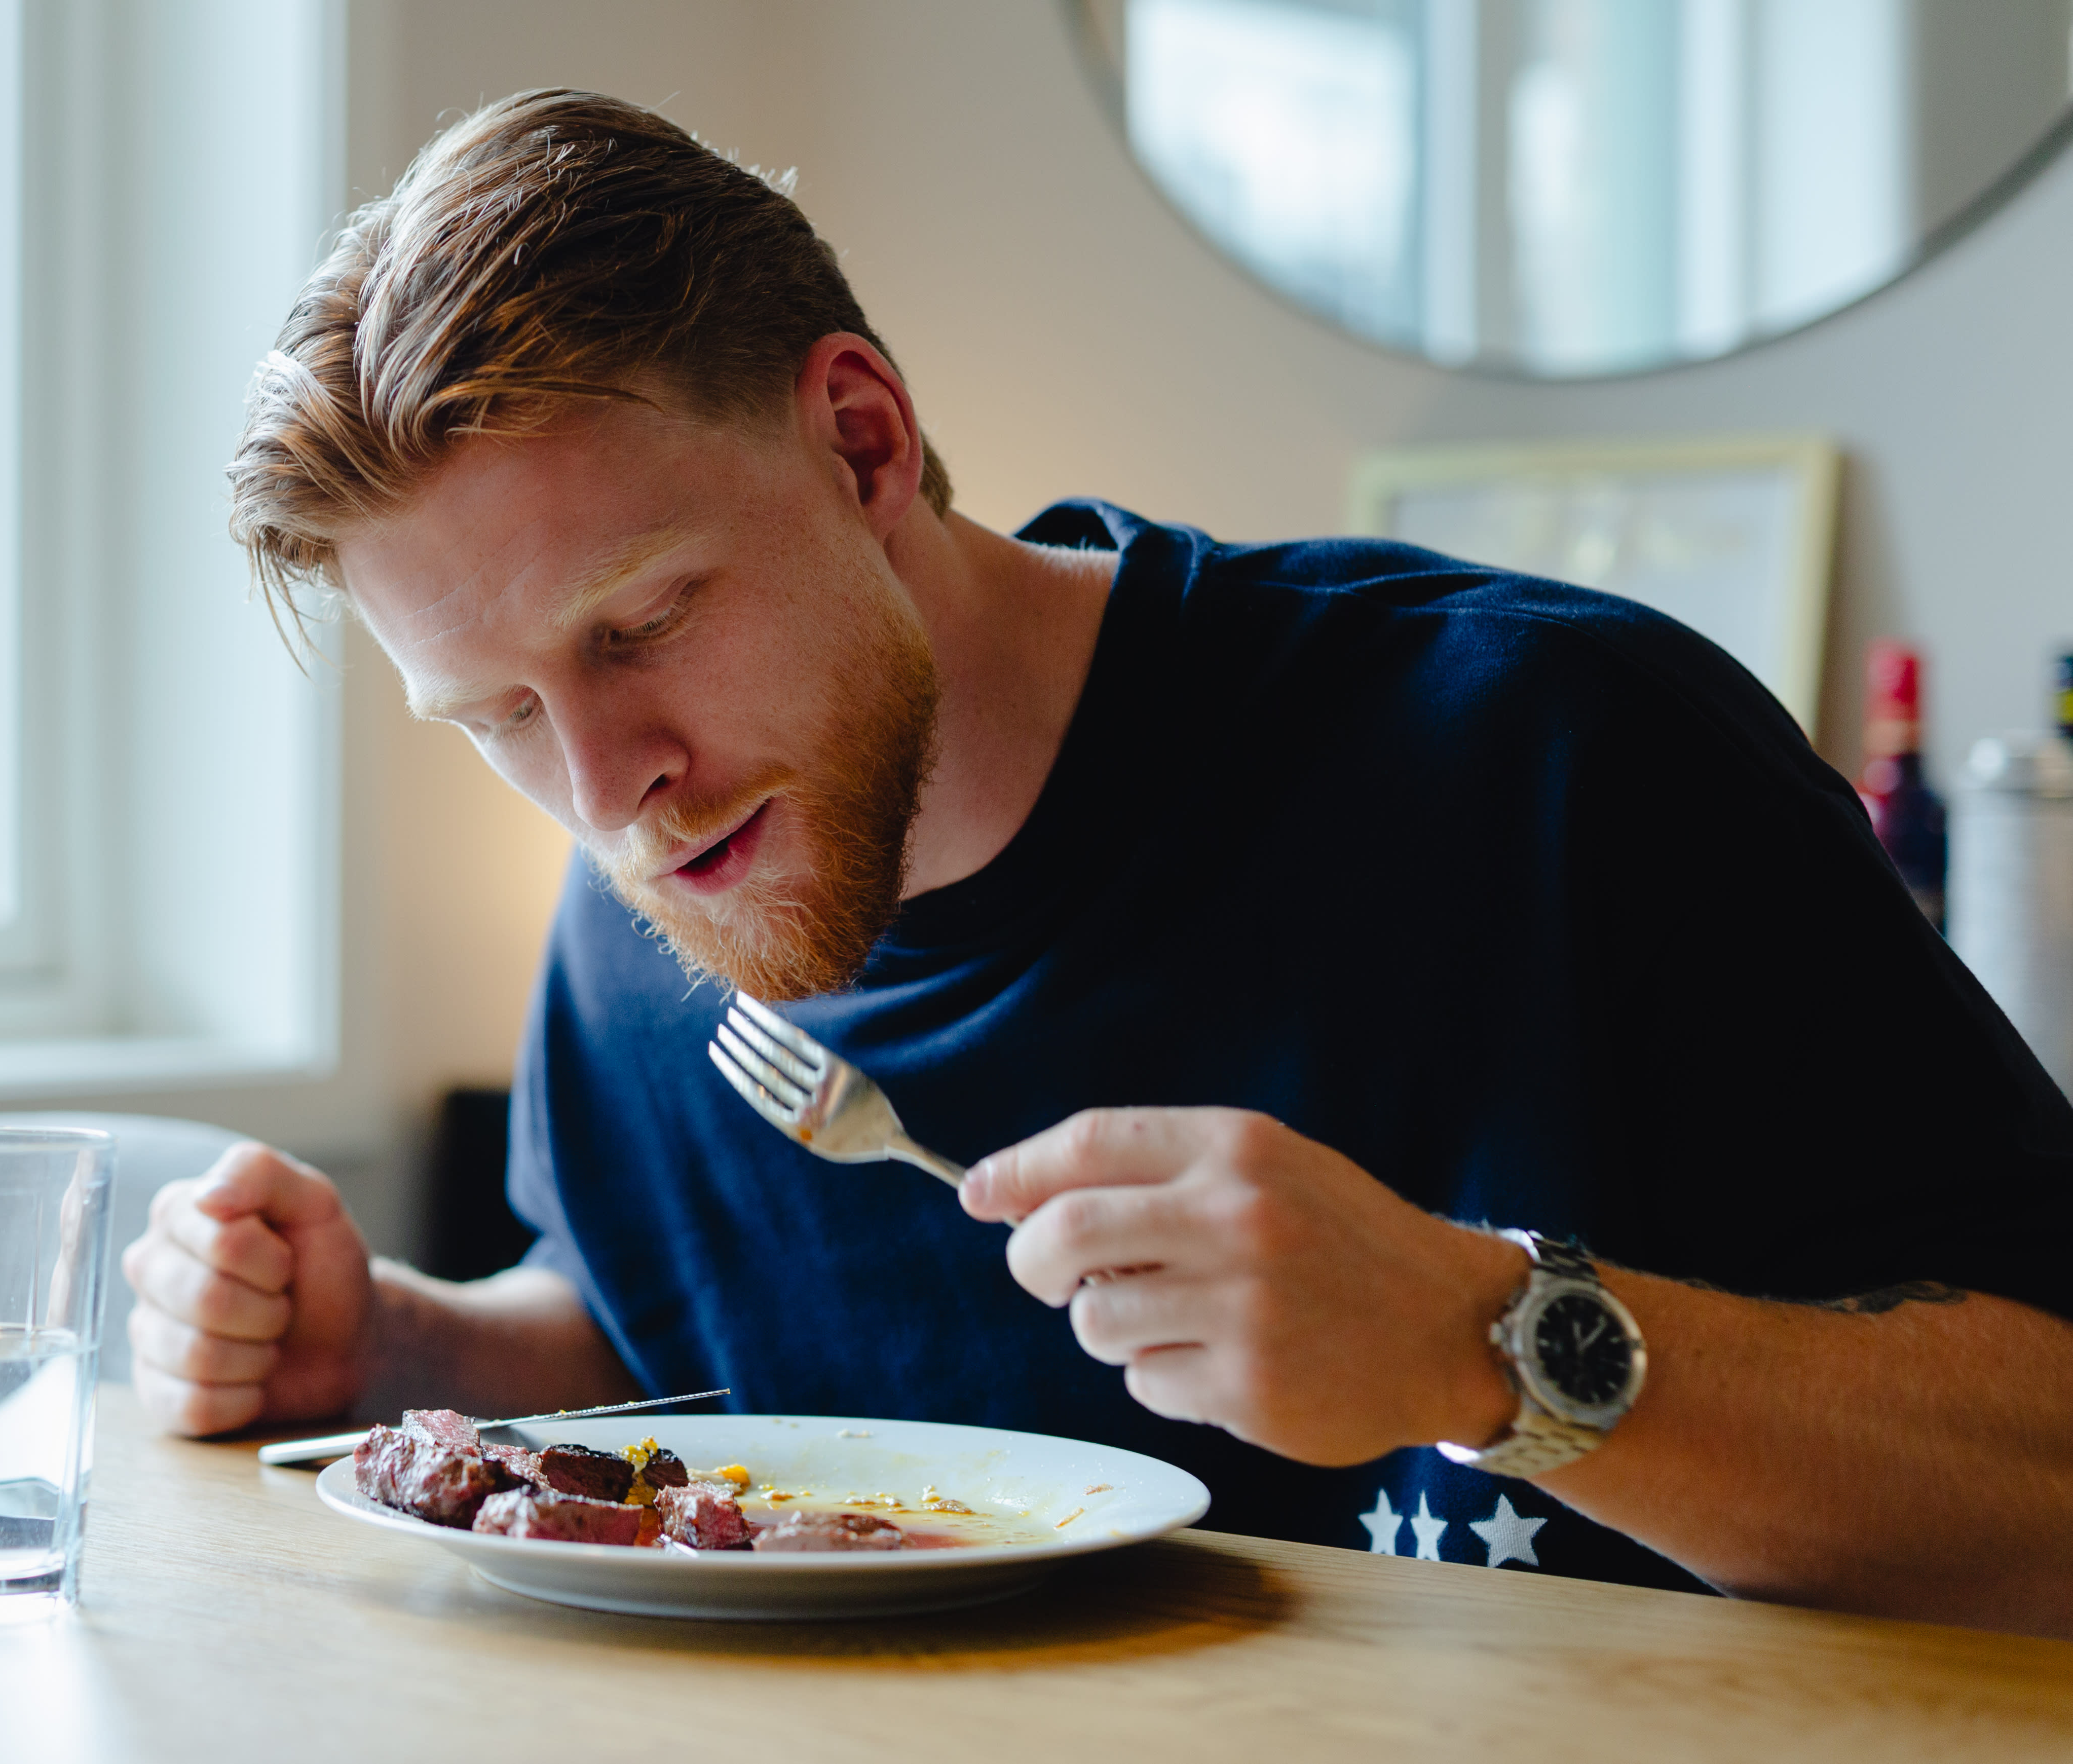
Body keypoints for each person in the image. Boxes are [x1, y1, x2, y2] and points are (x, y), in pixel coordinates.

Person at [121, 90, 2073, 1634]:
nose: (611, 782)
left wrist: (1481, 1340)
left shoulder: (1561, 759)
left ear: (864, 441)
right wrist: (409, 1347)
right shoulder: (653, 912)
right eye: (501, 718)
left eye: (640, 627)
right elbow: (682, 1322)